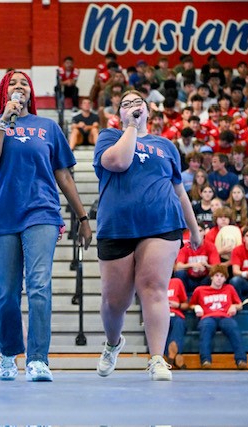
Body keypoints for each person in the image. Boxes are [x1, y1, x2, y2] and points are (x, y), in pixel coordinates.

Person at [0, 70, 92, 382]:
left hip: (41, 212)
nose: (19, 87)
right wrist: (3, 123)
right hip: (1, 215)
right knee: (9, 292)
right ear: (4, 91)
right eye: (13, 83)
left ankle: (38, 359)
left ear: (32, 92)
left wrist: (82, 217)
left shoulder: (48, 127)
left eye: (24, 83)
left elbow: (64, 175)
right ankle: (9, 355)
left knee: (39, 286)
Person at [93, 89, 200, 382]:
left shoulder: (166, 146)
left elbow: (179, 191)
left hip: (161, 224)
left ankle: (157, 358)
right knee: (115, 301)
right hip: (117, 227)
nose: (132, 107)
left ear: (148, 110)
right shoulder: (108, 137)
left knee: (153, 287)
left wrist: (193, 228)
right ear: (120, 113)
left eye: (137, 103)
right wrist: (130, 127)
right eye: (125, 104)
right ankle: (113, 343)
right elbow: (119, 163)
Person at [189, 264, 247, 369]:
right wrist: (196, 307)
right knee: (205, 328)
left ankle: (241, 360)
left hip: (225, 316)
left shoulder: (229, 288)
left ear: (225, 279)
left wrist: (234, 306)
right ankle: (205, 360)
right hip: (208, 317)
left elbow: (240, 304)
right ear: (211, 276)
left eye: (222, 276)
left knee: (233, 328)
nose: (219, 278)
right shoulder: (200, 290)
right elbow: (191, 304)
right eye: (217, 275)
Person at [165, 277, 188, 369]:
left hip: (176, 314)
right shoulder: (154, 281)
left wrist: (177, 305)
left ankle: (170, 358)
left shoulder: (177, 282)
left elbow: (186, 305)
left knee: (179, 323)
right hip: (161, 315)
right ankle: (176, 357)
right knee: (161, 326)